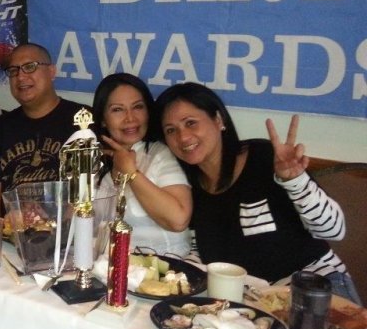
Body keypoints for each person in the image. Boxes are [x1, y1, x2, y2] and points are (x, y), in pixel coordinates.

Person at [155, 82, 360, 304]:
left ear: (218, 120)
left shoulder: (264, 158)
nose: (183, 137)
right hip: (255, 302)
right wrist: (171, 277)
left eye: (191, 123)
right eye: (171, 130)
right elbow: (200, 251)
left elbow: (334, 230)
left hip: (314, 286)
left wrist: (296, 181)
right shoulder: (189, 185)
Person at [0, 43, 87, 215]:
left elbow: (91, 192)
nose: (20, 76)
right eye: (13, 70)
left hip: (66, 229)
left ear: (51, 72)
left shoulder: (83, 121)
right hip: (11, 228)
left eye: (30, 67)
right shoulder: (0, 127)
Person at [92, 73, 191, 255]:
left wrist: (131, 172)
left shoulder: (160, 153)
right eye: (117, 110)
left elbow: (178, 220)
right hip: (105, 264)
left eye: (138, 107)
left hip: (166, 264)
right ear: (103, 119)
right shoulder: (93, 159)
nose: (130, 118)